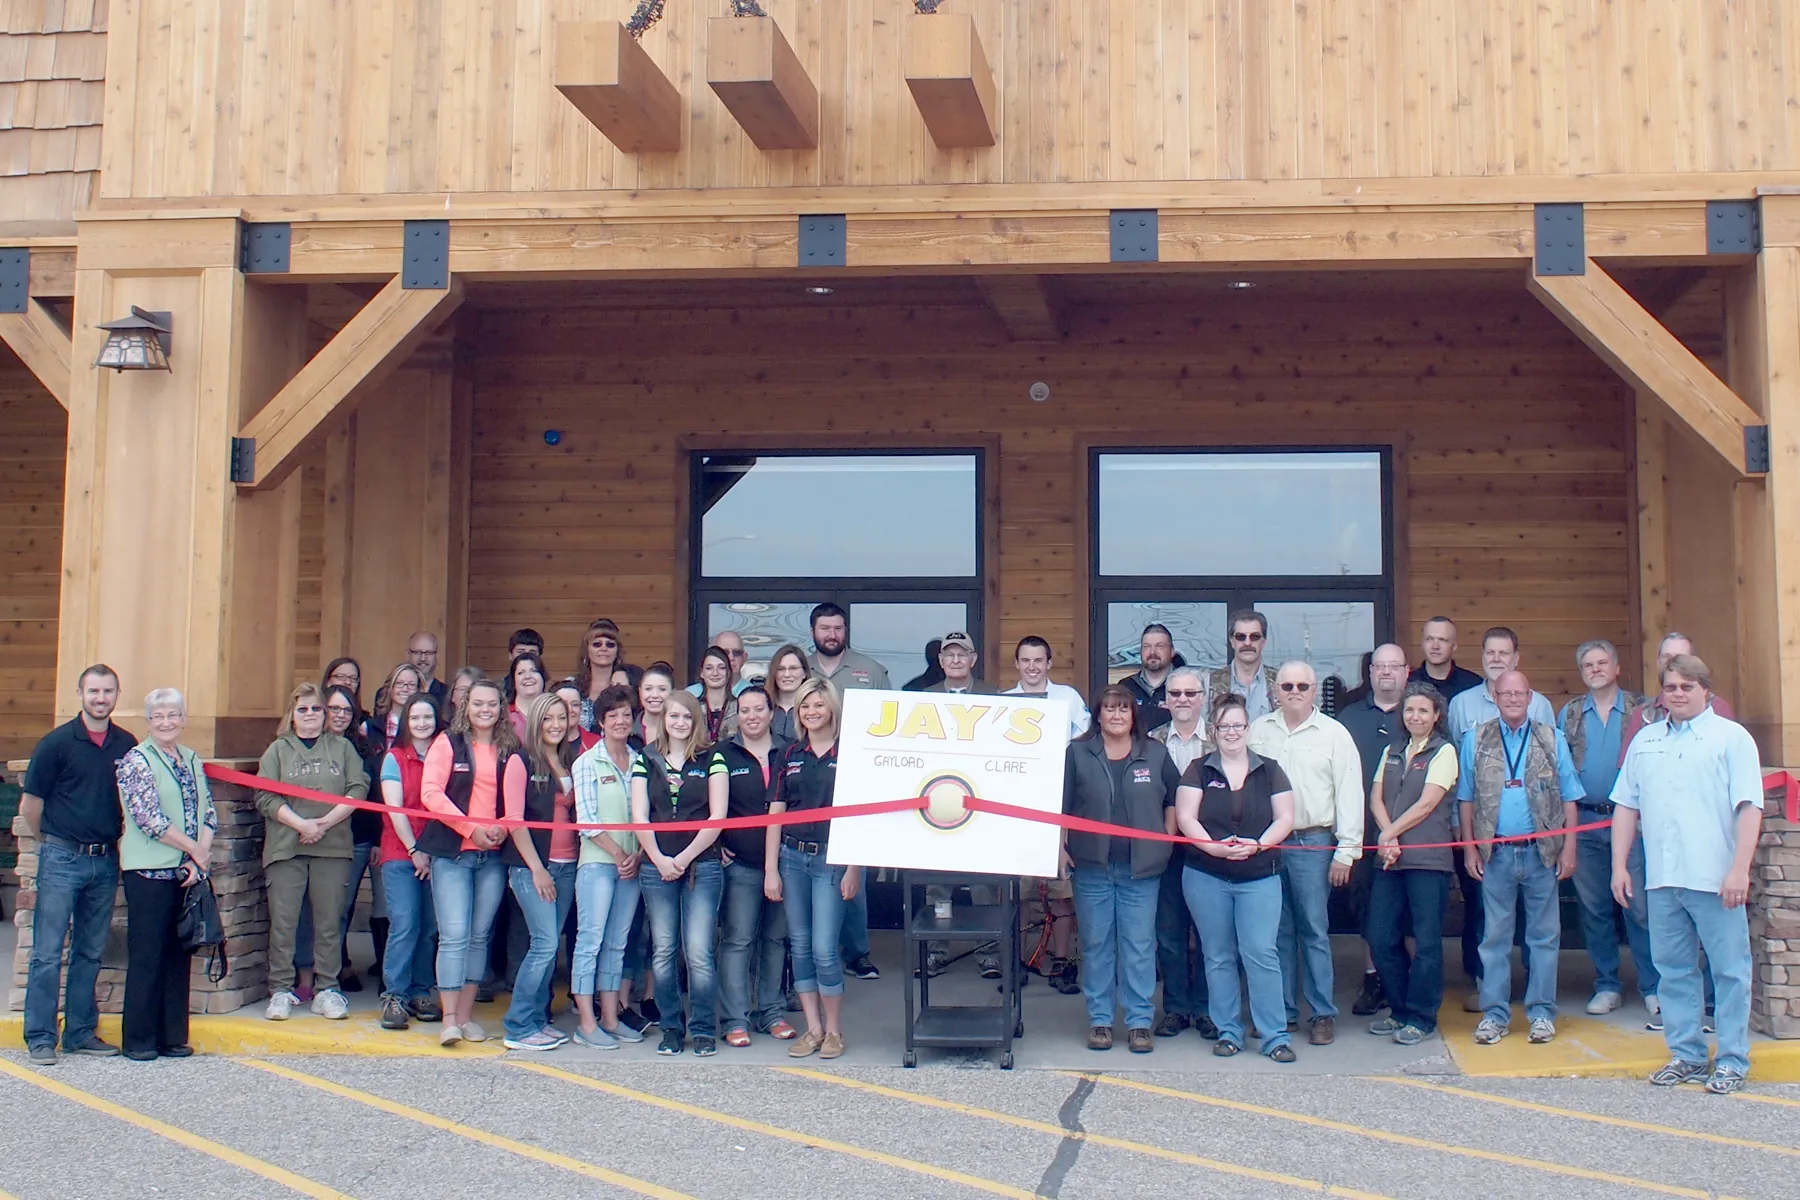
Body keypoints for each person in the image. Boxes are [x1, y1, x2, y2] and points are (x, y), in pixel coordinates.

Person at [1612, 654, 1764, 1095]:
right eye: (1671, 687)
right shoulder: (1645, 740)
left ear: (1705, 690)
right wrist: (1619, 866)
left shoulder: (1731, 738)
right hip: (1663, 878)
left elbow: (1749, 807)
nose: (1678, 694)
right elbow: (1626, 806)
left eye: (1687, 686)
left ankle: (1732, 1060)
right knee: (1674, 971)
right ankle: (1688, 1055)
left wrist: (1740, 870)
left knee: (1730, 972)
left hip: (1716, 878)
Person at [20, 664, 135, 1064]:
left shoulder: (126, 744)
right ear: (80, 694)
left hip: (104, 861)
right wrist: (51, 842)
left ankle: (80, 1032)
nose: (100, 698)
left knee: (90, 951)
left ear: (117, 694)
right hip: (62, 857)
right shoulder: (55, 744)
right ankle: (40, 1037)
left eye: (108, 691)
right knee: (47, 952)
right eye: (93, 691)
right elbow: (30, 806)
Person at [1460, 669, 1582, 1046]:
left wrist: (1570, 848)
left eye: (1520, 693)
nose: (1513, 699)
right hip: (1495, 853)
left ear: (1530, 698)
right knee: (1494, 938)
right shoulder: (1475, 739)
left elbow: (1569, 797)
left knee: (1543, 937)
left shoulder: (1551, 738)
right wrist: (1469, 847)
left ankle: (1542, 1013)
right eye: (1506, 693)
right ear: (1495, 698)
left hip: (1541, 853)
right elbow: (1466, 799)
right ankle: (1494, 1015)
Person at [1176, 693, 1298, 1062]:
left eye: (1238, 726)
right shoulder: (1198, 769)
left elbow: (1286, 818)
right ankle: (1228, 1031)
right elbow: (1185, 817)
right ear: (1214, 731)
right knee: (1217, 955)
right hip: (1206, 875)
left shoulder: (1270, 769)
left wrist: (1259, 845)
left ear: (1248, 729)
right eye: (1225, 726)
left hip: (1259, 875)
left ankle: (1274, 1036)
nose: (1232, 732)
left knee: (1261, 953)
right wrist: (1212, 848)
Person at [1247, 660, 1363, 1045]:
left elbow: (1349, 791)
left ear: (1314, 691)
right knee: (1275, 931)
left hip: (1313, 841)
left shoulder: (1334, 734)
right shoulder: (1258, 731)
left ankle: (1321, 1014)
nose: (1294, 692)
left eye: (1302, 686)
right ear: (1275, 692)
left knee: (1313, 929)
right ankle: (1281, 1013)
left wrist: (1346, 850)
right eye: (1287, 686)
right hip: (1267, 844)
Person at [1063, 686, 1182, 1053]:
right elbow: (1062, 804)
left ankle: (1139, 1023)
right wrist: (1060, 848)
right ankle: (1100, 1020)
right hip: (1092, 868)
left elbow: (1174, 799)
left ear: (1134, 717)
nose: (1116, 716)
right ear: (1097, 716)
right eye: (1109, 709)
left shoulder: (1155, 753)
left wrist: (1166, 838)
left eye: (1123, 709)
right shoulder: (1077, 753)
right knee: (1097, 945)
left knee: (1139, 947)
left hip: (1141, 870)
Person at [419, 678, 523, 1046]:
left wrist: (501, 829)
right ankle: (448, 1020)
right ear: (466, 706)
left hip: (492, 856)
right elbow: (430, 793)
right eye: (478, 703)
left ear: (501, 708)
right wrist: (470, 828)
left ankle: (465, 1017)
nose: (485, 710)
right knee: (454, 936)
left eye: (492, 704)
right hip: (453, 854)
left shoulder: (510, 748)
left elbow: (518, 800)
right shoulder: (447, 743)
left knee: (479, 937)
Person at [257, 682, 369, 1022]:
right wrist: (301, 825)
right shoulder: (278, 750)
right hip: (286, 847)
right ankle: (280, 989)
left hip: (332, 847)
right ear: (291, 714)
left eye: (316, 709)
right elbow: (265, 796)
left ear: (325, 714)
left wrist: (323, 823)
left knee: (329, 922)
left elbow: (358, 788)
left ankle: (327, 989)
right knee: (284, 922)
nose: (310, 715)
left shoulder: (343, 748)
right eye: (302, 709)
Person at [111, 687, 213, 1061]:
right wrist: (194, 849)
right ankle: (139, 1040)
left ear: (183, 719)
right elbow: (149, 818)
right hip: (148, 873)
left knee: (177, 955)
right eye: (159, 716)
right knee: (147, 955)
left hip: (184, 872)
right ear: (148, 721)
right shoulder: (136, 760)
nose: (166, 722)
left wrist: (198, 858)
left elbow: (208, 811)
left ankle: (172, 1037)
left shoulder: (191, 758)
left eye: (173, 715)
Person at [1557, 639, 1656, 1017]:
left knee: (1638, 907)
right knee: (1594, 909)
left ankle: (1653, 986)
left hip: (1630, 822)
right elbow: (1560, 770)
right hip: (1584, 822)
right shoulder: (1569, 714)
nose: (1595, 669)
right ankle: (1608, 984)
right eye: (1588, 665)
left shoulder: (1642, 710)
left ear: (1616, 668)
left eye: (1602, 663)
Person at [766, 677, 862, 1060]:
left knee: (824, 948)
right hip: (792, 858)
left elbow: (859, 814)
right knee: (800, 945)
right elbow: (776, 814)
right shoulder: (788, 754)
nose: (811, 712)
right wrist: (771, 869)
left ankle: (834, 1030)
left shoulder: (850, 752)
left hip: (831, 860)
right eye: (805, 706)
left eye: (818, 705)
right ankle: (813, 1028)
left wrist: (855, 868)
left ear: (832, 709)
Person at [631, 690, 729, 1056]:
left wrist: (684, 859)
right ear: (663, 719)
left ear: (696, 721)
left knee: (699, 951)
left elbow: (717, 817)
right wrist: (658, 858)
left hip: (702, 866)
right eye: (674, 716)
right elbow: (639, 816)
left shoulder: (713, 757)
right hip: (656, 868)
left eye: (687, 716)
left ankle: (703, 1029)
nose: (680, 722)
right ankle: (671, 1027)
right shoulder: (646, 758)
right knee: (663, 951)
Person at [1365, 681, 1458, 1045]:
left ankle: (1422, 1017)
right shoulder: (1392, 749)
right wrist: (1388, 838)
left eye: (1423, 710)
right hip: (1390, 860)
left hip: (1427, 861)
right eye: (1409, 709)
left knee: (1426, 941)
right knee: (1380, 936)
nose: (1415, 716)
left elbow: (1427, 803)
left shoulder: (1444, 751)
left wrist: (1388, 834)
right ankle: (1400, 1010)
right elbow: (1376, 798)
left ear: (1436, 716)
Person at [718, 686, 798, 1046]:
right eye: (745, 710)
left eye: (758, 709)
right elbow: (707, 804)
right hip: (741, 865)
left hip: (787, 862)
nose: (752, 716)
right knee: (738, 941)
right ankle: (736, 1019)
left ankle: (771, 1012)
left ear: (771, 712)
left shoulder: (791, 751)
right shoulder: (723, 753)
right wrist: (716, 844)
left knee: (775, 940)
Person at [500, 693, 580, 1051]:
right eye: (548, 718)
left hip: (567, 866)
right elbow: (515, 821)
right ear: (535, 721)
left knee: (549, 946)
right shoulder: (520, 760)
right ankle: (518, 1025)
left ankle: (536, 1020)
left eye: (561, 717)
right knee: (544, 944)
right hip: (534, 868)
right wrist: (537, 869)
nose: (556, 725)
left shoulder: (568, 759)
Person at [1335, 643, 1411, 1017]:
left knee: (1409, 910)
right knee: (1367, 908)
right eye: (1379, 666)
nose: (1386, 672)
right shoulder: (1348, 718)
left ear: (1407, 672)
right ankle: (1373, 977)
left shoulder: (1418, 713)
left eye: (1394, 666)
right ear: (1369, 673)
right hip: (1363, 832)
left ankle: (1406, 979)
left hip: (1413, 832)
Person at [569, 684, 646, 1049]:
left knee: (617, 944)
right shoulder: (586, 762)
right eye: (612, 715)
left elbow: (646, 817)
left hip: (632, 865)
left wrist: (638, 855)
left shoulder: (640, 761)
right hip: (599, 864)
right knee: (590, 941)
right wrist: (618, 854)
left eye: (626, 714)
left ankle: (611, 1018)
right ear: (600, 721)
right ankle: (586, 1023)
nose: (620, 720)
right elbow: (587, 820)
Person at [1147, 666, 1214, 1039]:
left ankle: (1206, 1009)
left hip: (1211, 851)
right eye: (1175, 694)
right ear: (1166, 700)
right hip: (1167, 851)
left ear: (1203, 698)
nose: (1183, 700)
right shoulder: (1150, 742)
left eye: (1190, 693)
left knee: (1209, 934)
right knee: (1169, 933)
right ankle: (1175, 1009)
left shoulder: (1222, 738)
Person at [375, 694, 446, 1030]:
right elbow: (395, 810)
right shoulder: (394, 758)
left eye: (427, 717)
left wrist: (428, 851)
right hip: (400, 852)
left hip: (437, 852)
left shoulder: (444, 754)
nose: (421, 723)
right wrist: (415, 849)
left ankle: (420, 992)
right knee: (405, 923)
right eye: (415, 717)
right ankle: (395, 996)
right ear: (406, 722)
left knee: (430, 927)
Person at [1618, 632, 1737, 764]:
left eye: (1680, 658)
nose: (1672, 663)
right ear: (1658, 662)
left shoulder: (1717, 707)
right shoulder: (1643, 715)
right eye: (1666, 657)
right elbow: (1629, 769)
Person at [1445, 627, 1555, 743]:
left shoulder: (1539, 705)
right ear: (1483, 657)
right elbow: (1454, 750)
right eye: (1490, 653)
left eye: (1503, 653)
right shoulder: (1461, 704)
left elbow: (1550, 749)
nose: (1496, 659)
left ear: (1516, 659)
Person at [1004, 636, 1091, 736]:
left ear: (1048, 663)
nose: (1031, 667)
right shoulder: (1003, 701)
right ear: (1017, 663)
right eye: (1025, 660)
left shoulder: (1069, 696)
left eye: (1038, 660)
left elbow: (1084, 735)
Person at [1207, 610, 1279, 722]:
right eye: (1241, 636)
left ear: (1263, 642)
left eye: (1254, 637)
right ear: (1232, 641)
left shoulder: (1281, 682)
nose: (1247, 643)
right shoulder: (1210, 683)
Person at [807, 602, 891, 690]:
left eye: (838, 628)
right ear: (812, 632)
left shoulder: (872, 670)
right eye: (825, 628)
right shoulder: (801, 669)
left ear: (845, 630)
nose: (832, 635)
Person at [1409, 616, 1484, 702]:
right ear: (1422, 643)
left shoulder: (1472, 684)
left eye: (1442, 640)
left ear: (1454, 646)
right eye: (1429, 639)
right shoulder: (1407, 683)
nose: (1435, 646)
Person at [1119, 623, 1176, 732]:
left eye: (1160, 646)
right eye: (1146, 646)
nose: (1152, 652)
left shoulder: (1185, 688)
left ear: (1172, 651)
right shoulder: (1126, 687)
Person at [574, 618, 625, 732]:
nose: (604, 648)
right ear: (587, 650)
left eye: (610, 645)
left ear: (617, 652)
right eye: (597, 644)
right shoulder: (572, 685)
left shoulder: (627, 684)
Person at [688, 646, 740, 742]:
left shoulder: (740, 707)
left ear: (729, 673)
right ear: (702, 673)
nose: (715, 673)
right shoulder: (692, 708)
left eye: (721, 668)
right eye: (709, 668)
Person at [766, 643, 811, 741]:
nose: (787, 674)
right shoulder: (763, 707)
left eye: (793, 668)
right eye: (780, 669)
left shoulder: (813, 710)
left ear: (804, 673)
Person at [505, 652, 549, 740]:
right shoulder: (504, 715)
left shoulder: (554, 712)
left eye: (534, 671)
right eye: (521, 673)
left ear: (543, 678)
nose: (528, 676)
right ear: (513, 681)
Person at [634, 662, 676, 747]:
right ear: (640, 692)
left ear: (673, 693)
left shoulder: (681, 730)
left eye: (662, 689)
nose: (655, 695)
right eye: (648, 689)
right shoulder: (628, 731)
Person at [408, 632, 446, 702]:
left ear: (437, 655)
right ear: (408, 654)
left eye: (428, 653)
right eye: (417, 652)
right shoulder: (394, 693)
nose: (423, 658)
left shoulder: (447, 695)